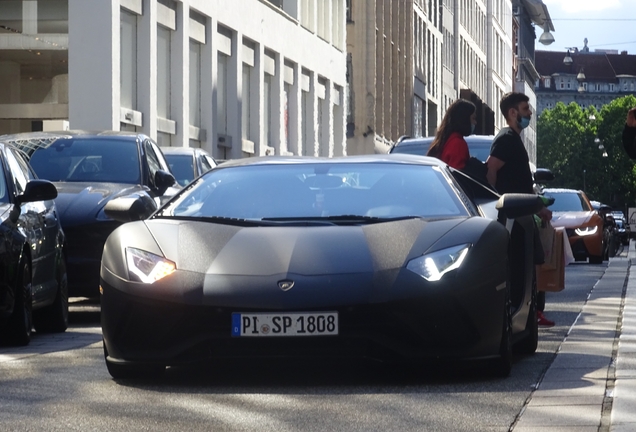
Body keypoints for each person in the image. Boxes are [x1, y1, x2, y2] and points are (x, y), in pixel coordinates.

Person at [486, 92, 555, 327]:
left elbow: (520, 182)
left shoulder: (514, 139)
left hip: (523, 212)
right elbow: (491, 169)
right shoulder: (506, 139)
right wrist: (495, 203)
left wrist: (538, 208)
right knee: (525, 262)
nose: (530, 113)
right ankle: (530, 310)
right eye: (526, 109)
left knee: (534, 259)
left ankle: (533, 309)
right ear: (513, 113)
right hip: (514, 214)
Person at [427, 99, 477, 170]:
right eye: (473, 118)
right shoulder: (458, 144)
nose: (475, 122)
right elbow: (457, 174)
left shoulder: (446, 139)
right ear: (464, 119)